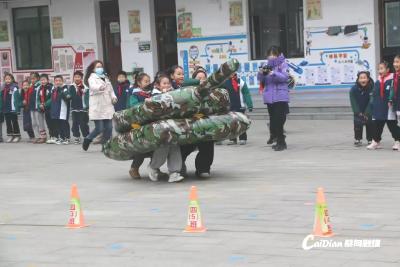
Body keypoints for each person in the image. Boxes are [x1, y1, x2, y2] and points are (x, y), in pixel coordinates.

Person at [147, 75, 184, 183]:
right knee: (163, 147)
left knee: (175, 147)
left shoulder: (173, 93)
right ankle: (153, 167)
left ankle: (174, 172)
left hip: (172, 126)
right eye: (164, 83)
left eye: (168, 83)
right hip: (160, 127)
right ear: (158, 85)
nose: (167, 85)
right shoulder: (154, 95)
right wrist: (164, 94)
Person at [181, 66, 215, 178]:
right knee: (184, 147)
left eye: (204, 78)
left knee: (207, 145)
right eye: (199, 78)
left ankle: (203, 169)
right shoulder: (186, 91)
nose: (202, 80)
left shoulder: (210, 92)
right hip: (188, 126)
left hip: (204, 126)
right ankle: (179, 167)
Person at [258, 46, 290, 151]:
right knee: (273, 121)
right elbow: (260, 79)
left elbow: (285, 78)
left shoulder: (283, 64)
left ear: (277, 54)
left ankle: (282, 143)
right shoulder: (265, 65)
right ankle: (278, 140)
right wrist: (261, 73)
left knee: (278, 120)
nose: (271, 56)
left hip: (280, 96)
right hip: (269, 97)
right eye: (270, 54)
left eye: (274, 54)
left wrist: (273, 73)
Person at [82, 60, 117, 151]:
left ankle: (105, 145)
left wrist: (114, 97)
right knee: (99, 128)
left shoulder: (106, 78)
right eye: (97, 67)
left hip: (107, 105)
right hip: (97, 106)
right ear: (93, 69)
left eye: (101, 66)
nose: (100, 68)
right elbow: (93, 87)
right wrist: (99, 87)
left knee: (109, 128)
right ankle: (88, 139)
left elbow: (111, 90)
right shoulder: (91, 78)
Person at [367, 61, 400, 150]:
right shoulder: (378, 80)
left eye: (381, 68)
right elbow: (375, 94)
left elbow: (394, 92)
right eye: (378, 69)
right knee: (377, 124)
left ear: (388, 69)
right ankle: (376, 141)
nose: (379, 70)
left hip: (389, 106)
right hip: (379, 106)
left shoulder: (393, 78)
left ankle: (398, 141)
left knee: (392, 125)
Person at [127, 72, 153, 179]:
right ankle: (134, 168)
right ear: (139, 83)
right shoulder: (135, 94)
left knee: (155, 146)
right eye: (145, 81)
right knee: (142, 148)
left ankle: (154, 168)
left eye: (149, 81)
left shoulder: (152, 93)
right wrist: (145, 104)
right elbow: (132, 106)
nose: (148, 83)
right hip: (139, 124)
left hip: (151, 123)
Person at [223, 72, 253, 145]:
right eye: (230, 72)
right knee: (231, 123)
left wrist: (250, 104)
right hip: (229, 106)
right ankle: (232, 139)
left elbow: (246, 93)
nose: (232, 74)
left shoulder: (241, 82)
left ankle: (243, 138)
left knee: (241, 122)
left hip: (240, 106)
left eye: (233, 72)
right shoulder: (224, 83)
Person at [349, 71, 374, 146]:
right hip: (358, 110)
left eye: (364, 78)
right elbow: (353, 101)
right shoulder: (353, 89)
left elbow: (372, 100)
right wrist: (357, 111)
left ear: (368, 79)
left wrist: (367, 112)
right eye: (361, 78)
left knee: (370, 124)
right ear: (358, 79)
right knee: (357, 124)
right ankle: (358, 139)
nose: (363, 79)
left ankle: (370, 139)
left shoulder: (372, 87)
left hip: (369, 110)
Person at [0, 73, 22, 143]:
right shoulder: (3, 88)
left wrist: (17, 108)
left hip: (13, 108)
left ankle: (17, 135)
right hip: (5, 108)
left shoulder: (14, 87)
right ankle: (10, 135)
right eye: (6, 79)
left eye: (9, 79)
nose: (7, 80)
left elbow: (17, 99)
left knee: (14, 122)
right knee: (8, 123)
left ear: (12, 79)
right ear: (4, 80)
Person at [69, 71, 90, 144]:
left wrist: (87, 106)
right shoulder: (71, 87)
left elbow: (87, 98)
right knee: (75, 124)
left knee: (83, 124)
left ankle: (87, 136)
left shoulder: (85, 87)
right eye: (75, 77)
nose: (77, 78)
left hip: (83, 109)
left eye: (78, 77)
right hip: (74, 108)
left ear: (81, 78)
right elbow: (69, 96)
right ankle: (77, 137)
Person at [50, 75, 71, 145]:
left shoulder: (64, 88)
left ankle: (67, 137)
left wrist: (66, 95)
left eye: (59, 81)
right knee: (58, 124)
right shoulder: (54, 89)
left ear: (62, 81)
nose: (58, 82)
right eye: (56, 81)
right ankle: (62, 137)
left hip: (63, 110)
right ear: (54, 82)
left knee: (64, 124)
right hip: (56, 110)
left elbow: (67, 96)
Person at [36, 74, 55, 144]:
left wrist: (45, 104)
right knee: (46, 123)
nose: (42, 81)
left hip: (49, 108)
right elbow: (38, 98)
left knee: (51, 122)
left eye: (44, 80)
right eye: (41, 80)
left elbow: (52, 97)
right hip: (42, 107)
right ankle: (48, 136)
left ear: (47, 80)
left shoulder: (51, 87)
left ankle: (54, 136)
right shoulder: (40, 88)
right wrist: (39, 104)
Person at [28, 72, 46, 143]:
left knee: (39, 123)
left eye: (33, 78)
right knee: (34, 123)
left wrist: (41, 104)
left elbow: (41, 96)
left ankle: (43, 137)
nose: (32, 80)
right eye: (31, 79)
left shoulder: (39, 86)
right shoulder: (31, 86)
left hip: (37, 108)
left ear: (38, 78)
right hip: (31, 107)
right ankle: (37, 136)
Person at [390, 55, 400, 129]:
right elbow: (393, 88)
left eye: (397, 62)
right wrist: (390, 99)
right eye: (394, 62)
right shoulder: (395, 75)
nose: (395, 64)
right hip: (397, 102)